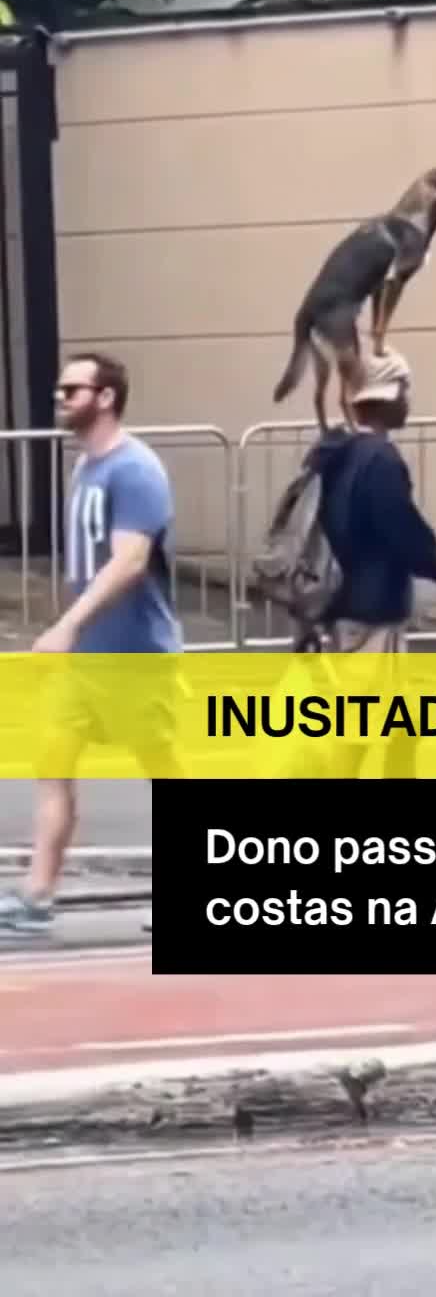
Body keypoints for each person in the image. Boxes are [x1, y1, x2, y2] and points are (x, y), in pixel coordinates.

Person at [0, 352, 181, 937]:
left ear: (105, 398)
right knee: (53, 764)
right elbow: (88, 564)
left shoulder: (136, 471)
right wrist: (69, 628)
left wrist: (69, 623)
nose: (59, 399)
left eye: (71, 390)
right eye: (59, 390)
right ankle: (37, 896)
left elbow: (129, 562)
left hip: (135, 656)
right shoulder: (84, 467)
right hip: (85, 660)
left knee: (165, 769)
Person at [297, 344, 436, 778]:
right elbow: (409, 541)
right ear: (388, 396)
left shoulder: (342, 454)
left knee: (401, 729)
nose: (409, 399)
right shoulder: (380, 461)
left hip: (355, 604)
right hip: (372, 612)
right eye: (404, 389)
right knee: (357, 734)